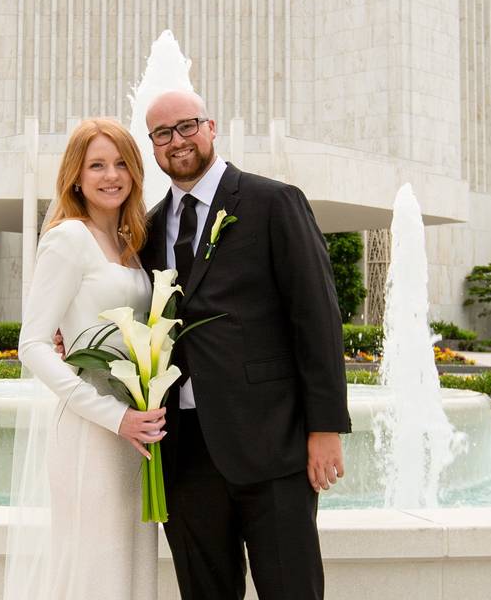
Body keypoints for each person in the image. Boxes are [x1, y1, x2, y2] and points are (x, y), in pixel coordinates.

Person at [141, 90, 352, 599]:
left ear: (211, 127)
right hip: (183, 450)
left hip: (272, 443)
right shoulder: (147, 229)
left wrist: (325, 427)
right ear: (153, 146)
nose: (178, 141)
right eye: (163, 134)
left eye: (187, 126)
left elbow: (317, 318)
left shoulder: (273, 202)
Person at [7, 118, 166, 599]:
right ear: (76, 175)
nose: (110, 175)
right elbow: (32, 344)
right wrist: (114, 417)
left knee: (132, 561)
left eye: (121, 163)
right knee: (96, 565)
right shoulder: (67, 238)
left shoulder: (131, 244)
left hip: (137, 427)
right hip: (92, 429)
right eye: (96, 164)